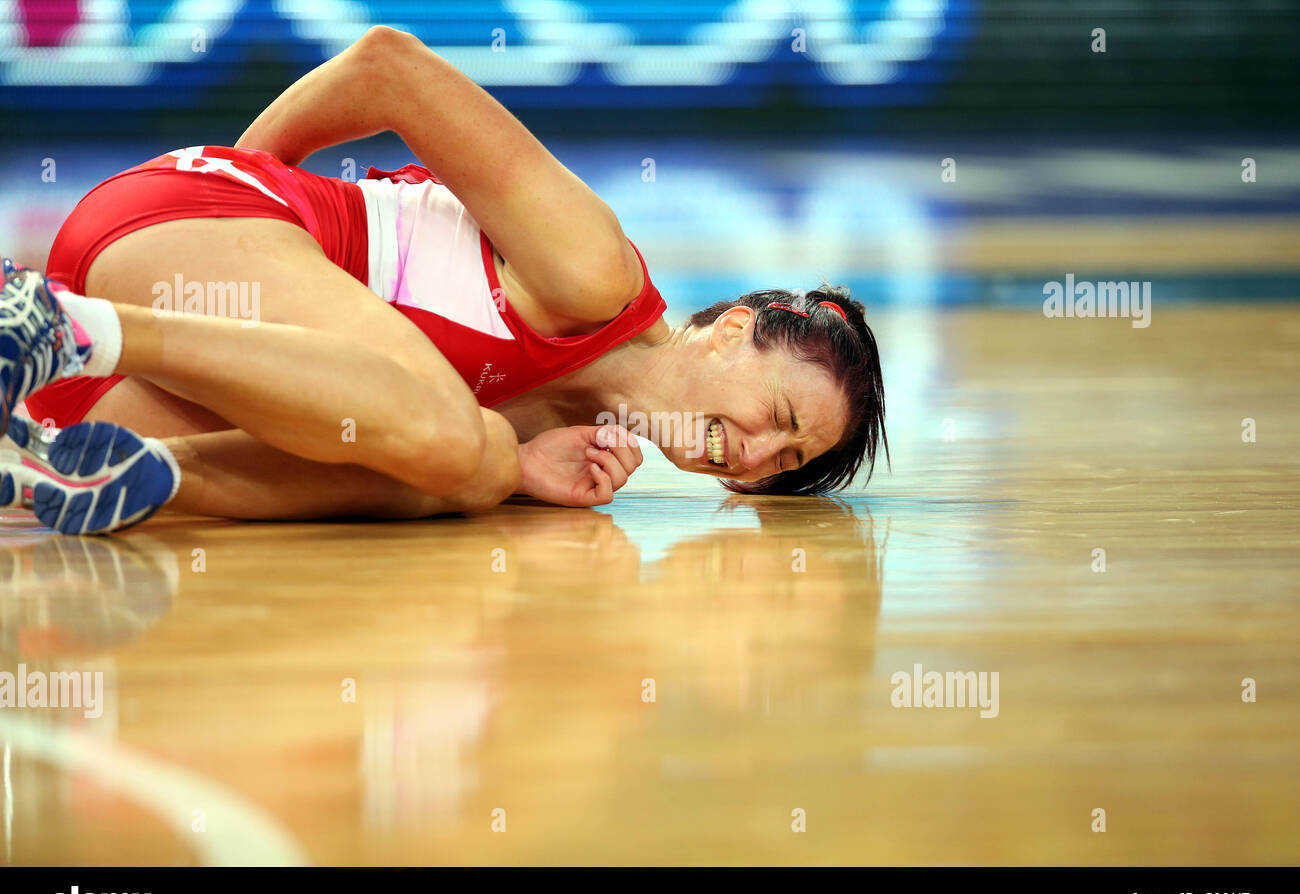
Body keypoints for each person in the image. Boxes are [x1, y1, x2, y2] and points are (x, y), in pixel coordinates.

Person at [0, 26, 887, 535]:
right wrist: (247, 183)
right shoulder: (592, 274)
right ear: (732, 330)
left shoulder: (561, 447)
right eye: (779, 421)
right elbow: (387, 68)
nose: (757, 461)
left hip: (156, 357)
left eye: (789, 463)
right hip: (185, 228)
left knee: (445, 466)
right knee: (461, 447)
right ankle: (69, 324)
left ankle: (97, 461)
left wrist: (511, 476)